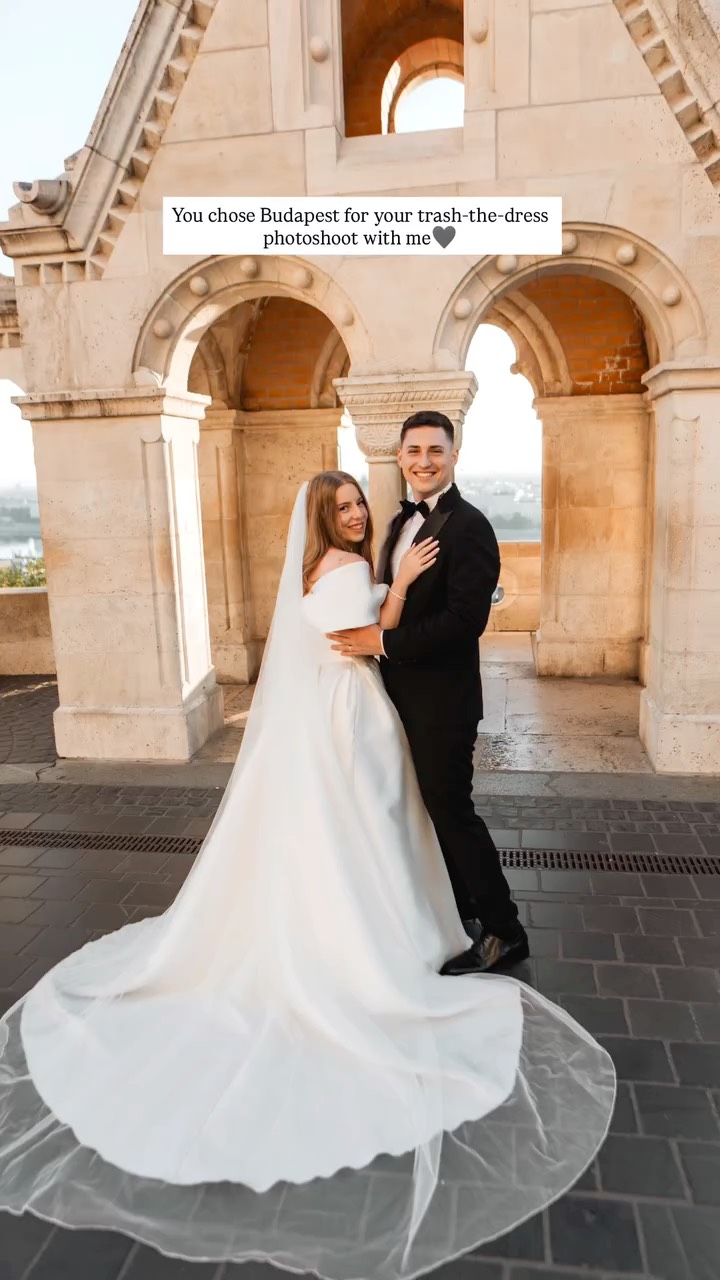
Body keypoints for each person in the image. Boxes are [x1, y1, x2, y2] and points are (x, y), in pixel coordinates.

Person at [0, 472, 615, 1280]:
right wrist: (402, 587)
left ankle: (374, 926)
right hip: (353, 714)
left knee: (354, 834)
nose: (357, 513)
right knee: (374, 827)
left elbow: (342, 633)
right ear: (326, 519)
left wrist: (392, 590)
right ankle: (384, 943)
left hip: (328, 715)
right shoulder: (350, 569)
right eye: (345, 508)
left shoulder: (313, 567)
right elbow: (369, 635)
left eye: (360, 502)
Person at [328, 411, 528, 975]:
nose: (424, 460)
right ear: (399, 457)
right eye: (413, 450)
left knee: (451, 809)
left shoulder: (470, 526)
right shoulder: (398, 523)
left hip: (443, 701)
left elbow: (465, 622)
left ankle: (504, 932)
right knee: (425, 810)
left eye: (435, 450)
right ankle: (458, 913)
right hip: (398, 697)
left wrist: (382, 642)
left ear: (454, 455)